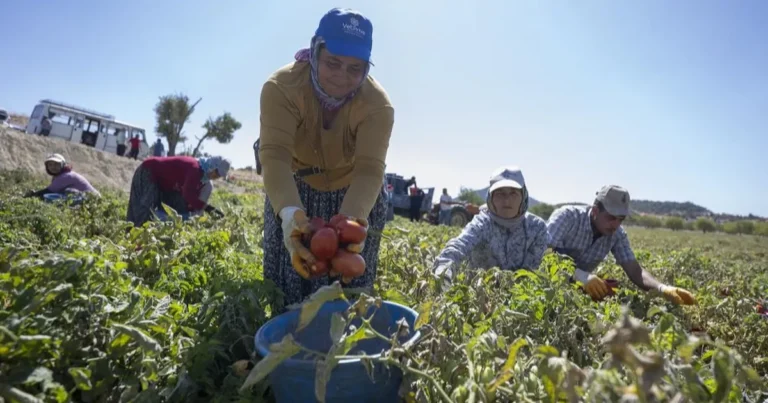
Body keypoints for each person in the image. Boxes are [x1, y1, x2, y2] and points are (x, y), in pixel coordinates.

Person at [258, 7, 394, 308]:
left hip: (354, 191)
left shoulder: (377, 106)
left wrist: (351, 220)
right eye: (333, 63)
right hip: (294, 186)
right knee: (289, 281)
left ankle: (345, 333)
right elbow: (275, 156)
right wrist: (290, 213)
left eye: (355, 68)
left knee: (349, 287)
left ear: (366, 68)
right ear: (316, 51)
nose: (342, 77)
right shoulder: (282, 88)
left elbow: (369, 170)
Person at [546, 185, 697, 305]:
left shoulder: (617, 234)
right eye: (611, 217)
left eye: (621, 219)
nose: (616, 225)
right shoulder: (567, 217)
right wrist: (580, 275)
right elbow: (543, 254)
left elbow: (635, 271)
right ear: (595, 211)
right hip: (544, 287)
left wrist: (662, 289)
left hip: (572, 292)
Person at [432, 166, 548, 287]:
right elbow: (458, 246)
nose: (506, 201)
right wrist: (443, 274)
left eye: (513, 193)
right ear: (490, 198)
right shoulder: (482, 223)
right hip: (480, 294)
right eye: (500, 194)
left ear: (523, 196)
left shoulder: (537, 228)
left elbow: (531, 273)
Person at [126, 155, 228, 227]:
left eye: (219, 176)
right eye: (217, 174)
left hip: (161, 182)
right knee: (145, 209)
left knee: (157, 212)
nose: (217, 177)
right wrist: (207, 208)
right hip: (149, 170)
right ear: (212, 167)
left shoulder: (202, 176)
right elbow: (188, 194)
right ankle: (134, 239)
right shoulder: (195, 169)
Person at [24, 153, 100, 199]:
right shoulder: (60, 175)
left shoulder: (65, 176)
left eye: (56, 164)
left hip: (93, 199)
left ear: (63, 165)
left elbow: (48, 191)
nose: (53, 167)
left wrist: (33, 195)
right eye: (50, 165)